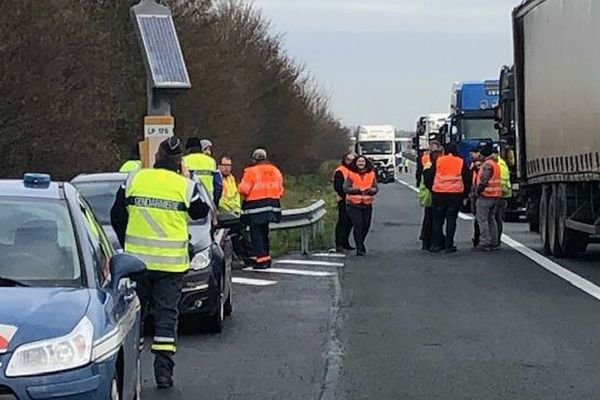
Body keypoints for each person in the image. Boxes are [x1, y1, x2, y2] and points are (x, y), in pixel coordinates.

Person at [110, 136, 210, 389]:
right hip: (171, 267)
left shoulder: (135, 179)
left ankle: (132, 370)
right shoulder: (185, 186)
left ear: (156, 158)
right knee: (166, 319)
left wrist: (127, 245)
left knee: (134, 318)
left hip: (136, 265)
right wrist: (189, 179)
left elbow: (116, 215)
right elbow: (201, 212)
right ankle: (163, 374)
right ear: (180, 163)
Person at [238, 148, 284, 269]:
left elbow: (244, 189)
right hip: (272, 205)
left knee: (256, 232)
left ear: (255, 159)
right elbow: (280, 189)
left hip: (256, 206)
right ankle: (266, 257)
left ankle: (261, 260)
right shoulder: (275, 171)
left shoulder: (251, 171)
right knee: (264, 231)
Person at [424, 142, 471, 253]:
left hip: (439, 193)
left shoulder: (439, 160)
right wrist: (465, 194)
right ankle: (449, 245)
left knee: (437, 220)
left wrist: (432, 188)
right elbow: (467, 178)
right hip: (455, 195)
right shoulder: (460, 162)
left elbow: (430, 175)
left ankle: (436, 245)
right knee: (451, 220)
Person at [219, 156, 253, 265]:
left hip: (233, 214)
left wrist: (237, 211)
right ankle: (246, 257)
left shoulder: (231, 179)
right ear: (219, 166)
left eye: (229, 166)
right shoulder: (217, 179)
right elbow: (221, 200)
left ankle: (247, 257)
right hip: (223, 213)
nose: (227, 168)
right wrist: (230, 211)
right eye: (224, 165)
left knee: (241, 231)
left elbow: (235, 197)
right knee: (239, 231)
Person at [344, 155, 378, 256]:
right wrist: (357, 190)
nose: (361, 163)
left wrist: (370, 191)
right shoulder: (351, 174)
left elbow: (375, 188)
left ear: (366, 163)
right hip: (353, 204)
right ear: (355, 163)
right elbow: (346, 188)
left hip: (367, 204)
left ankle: (361, 242)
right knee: (358, 225)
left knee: (366, 226)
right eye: (359, 161)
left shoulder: (371, 174)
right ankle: (359, 247)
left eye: (363, 161)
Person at [475, 144, 502, 251]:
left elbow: (484, 181)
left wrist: (478, 191)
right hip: (496, 195)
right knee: (491, 219)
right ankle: (494, 242)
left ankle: (485, 242)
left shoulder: (487, 165)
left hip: (486, 195)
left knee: (482, 220)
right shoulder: (495, 163)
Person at [183, 138, 222, 204]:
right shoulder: (211, 161)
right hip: (208, 201)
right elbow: (218, 185)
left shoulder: (184, 161)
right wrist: (215, 202)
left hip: (190, 202)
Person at [419, 149, 442, 250]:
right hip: (430, 195)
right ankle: (429, 240)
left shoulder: (429, 165)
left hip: (428, 195)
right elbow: (429, 181)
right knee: (431, 219)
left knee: (429, 218)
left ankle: (426, 240)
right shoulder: (430, 166)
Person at [333, 152, 356, 252]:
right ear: (344, 160)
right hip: (344, 199)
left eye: (352, 160)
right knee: (343, 222)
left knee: (350, 222)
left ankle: (345, 242)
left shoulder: (355, 171)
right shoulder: (340, 171)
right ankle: (339, 243)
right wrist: (346, 195)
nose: (350, 162)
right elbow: (337, 187)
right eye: (348, 160)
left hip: (354, 200)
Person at [495, 148, 512, 244]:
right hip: (504, 195)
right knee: (499, 219)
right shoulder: (502, 163)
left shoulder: (496, 164)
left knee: (494, 219)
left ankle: (494, 239)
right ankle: (497, 239)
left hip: (496, 195)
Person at [469, 147, 483, 247]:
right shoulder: (475, 164)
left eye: (472, 154)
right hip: (475, 192)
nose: (471, 156)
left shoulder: (479, 165)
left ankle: (478, 238)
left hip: (479, 194)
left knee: (479, 218)